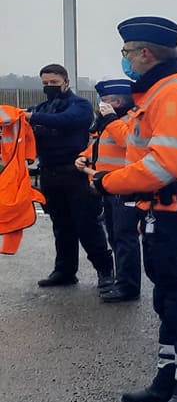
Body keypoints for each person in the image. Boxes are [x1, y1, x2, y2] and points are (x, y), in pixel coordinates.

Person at [83, 16, 177, 402]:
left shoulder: (174, 95)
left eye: (127, 53)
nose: (125, 61)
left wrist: (109, 182)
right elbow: (141, 144)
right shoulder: (160, 92)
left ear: (146, 53)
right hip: (164, 210)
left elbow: (164, 164)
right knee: (168, 298)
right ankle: (168, 378)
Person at [27, 62, 113, 289]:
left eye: (54, 83)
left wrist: (32, 117)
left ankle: (105, 271)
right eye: (45, 83)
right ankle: (64, 271)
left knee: (87, 225)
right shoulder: (43, 108)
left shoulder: (80, 106)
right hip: (49, 174)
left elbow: (67, 120)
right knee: (61, 226)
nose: (49, 87)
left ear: (66, 82)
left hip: (75, 174)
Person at [85, 79, 143, 302]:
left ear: (118, 101)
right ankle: (122, 281)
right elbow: (102, 146)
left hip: (125, 187)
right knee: (115, 235)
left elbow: (128, 142)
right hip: (108, 185)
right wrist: (85, 157)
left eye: (106, 101)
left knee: (124, 237)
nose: (101, 105)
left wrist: (109, 119)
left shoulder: (131, 120)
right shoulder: (110, 122)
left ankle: (128, 287)